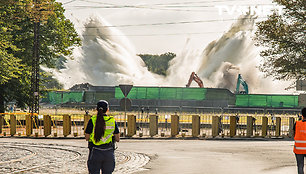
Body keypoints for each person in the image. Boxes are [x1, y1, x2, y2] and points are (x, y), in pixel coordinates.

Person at [85, 100, 120, 174]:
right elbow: (117, 138)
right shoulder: (112, 121)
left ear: (96, 109)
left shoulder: (93, 120)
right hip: (109, 152)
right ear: (107, 109)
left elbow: (87, 137)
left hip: (95, 152)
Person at [293, 107, 306, 174]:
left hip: (298, 149)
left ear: (302, 115)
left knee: (300, 166)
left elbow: (294, 134)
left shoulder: (297, 123)